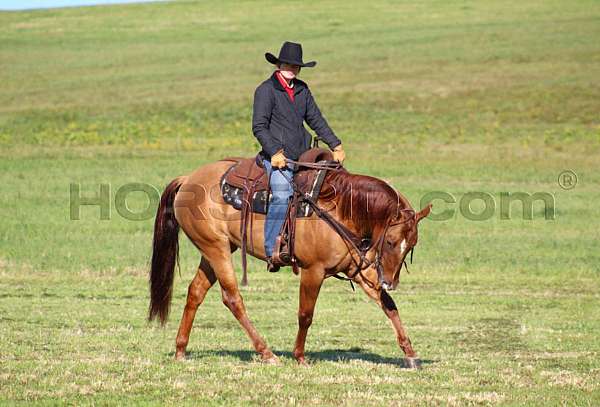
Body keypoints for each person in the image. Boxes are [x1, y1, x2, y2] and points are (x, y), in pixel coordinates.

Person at [252, 41, 346, 272]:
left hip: (303, 155)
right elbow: (259, 127)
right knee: (283, 195)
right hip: (276, 157)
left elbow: (315, 119)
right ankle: (270, 250)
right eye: (287, 64)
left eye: (296, 66)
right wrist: (274, 152)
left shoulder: (302, 89)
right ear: (279, 64)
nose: (291, 69)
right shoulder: (266, 90)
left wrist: (335, 144)